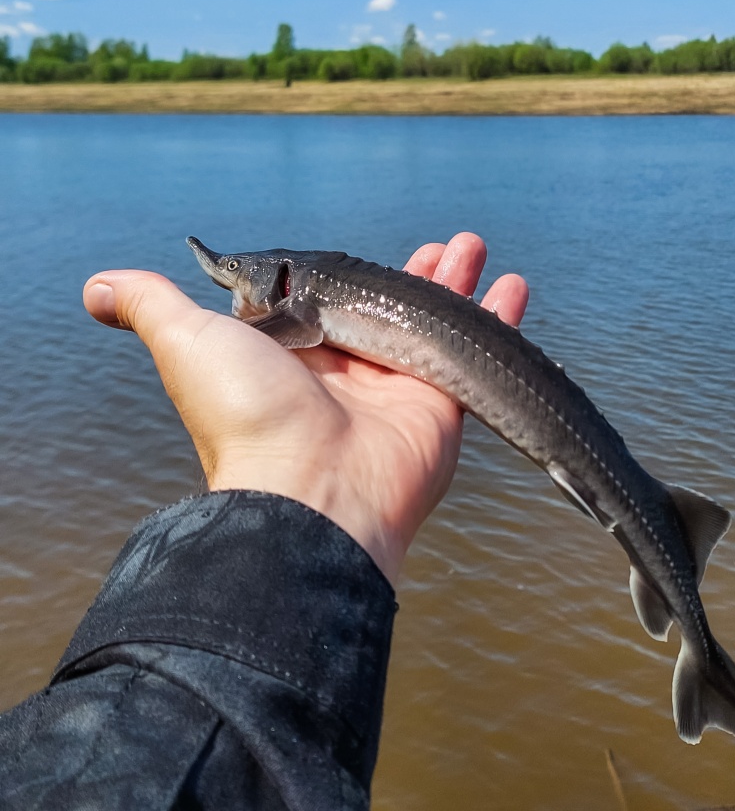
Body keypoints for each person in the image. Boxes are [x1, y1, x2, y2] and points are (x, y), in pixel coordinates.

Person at [0, 232, 529, 809]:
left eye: (232, 269)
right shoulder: (294, 296)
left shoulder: (295, 298)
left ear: (280, 280)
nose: (223, 274)